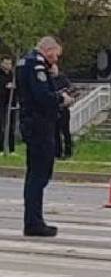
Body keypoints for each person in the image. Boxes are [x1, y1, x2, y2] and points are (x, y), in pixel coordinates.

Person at [16, 36, 72, 237]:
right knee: (39, 174)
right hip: (40, 125)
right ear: (48, 50)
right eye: (56, 54)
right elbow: (42, 96)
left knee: (35, 175)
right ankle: (33, 222)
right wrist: (61, 97)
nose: (56, 59)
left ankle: (34, 220)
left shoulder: (25, 62)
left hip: (32, 124)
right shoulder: (36, 65)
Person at [50, 64, 76, 159]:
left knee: (66, 132)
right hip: (54, 108)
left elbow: (71, 88)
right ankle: (57, 153)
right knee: (55, 132)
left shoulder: (63, 78)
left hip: (64, 108)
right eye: (51, 70)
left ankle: (68, 152)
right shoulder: (49, 80)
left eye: (53, 70)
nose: (52, 72)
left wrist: (66, 93)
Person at [0, 57, 15, 153]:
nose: (8, 66)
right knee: (1, 125)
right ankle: (1, 148)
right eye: (6, 63)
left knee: (11, 126)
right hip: (1, 102)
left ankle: (11, 148)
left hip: (10, 103)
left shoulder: (12, 75)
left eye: (9, 64)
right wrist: (5, 87)